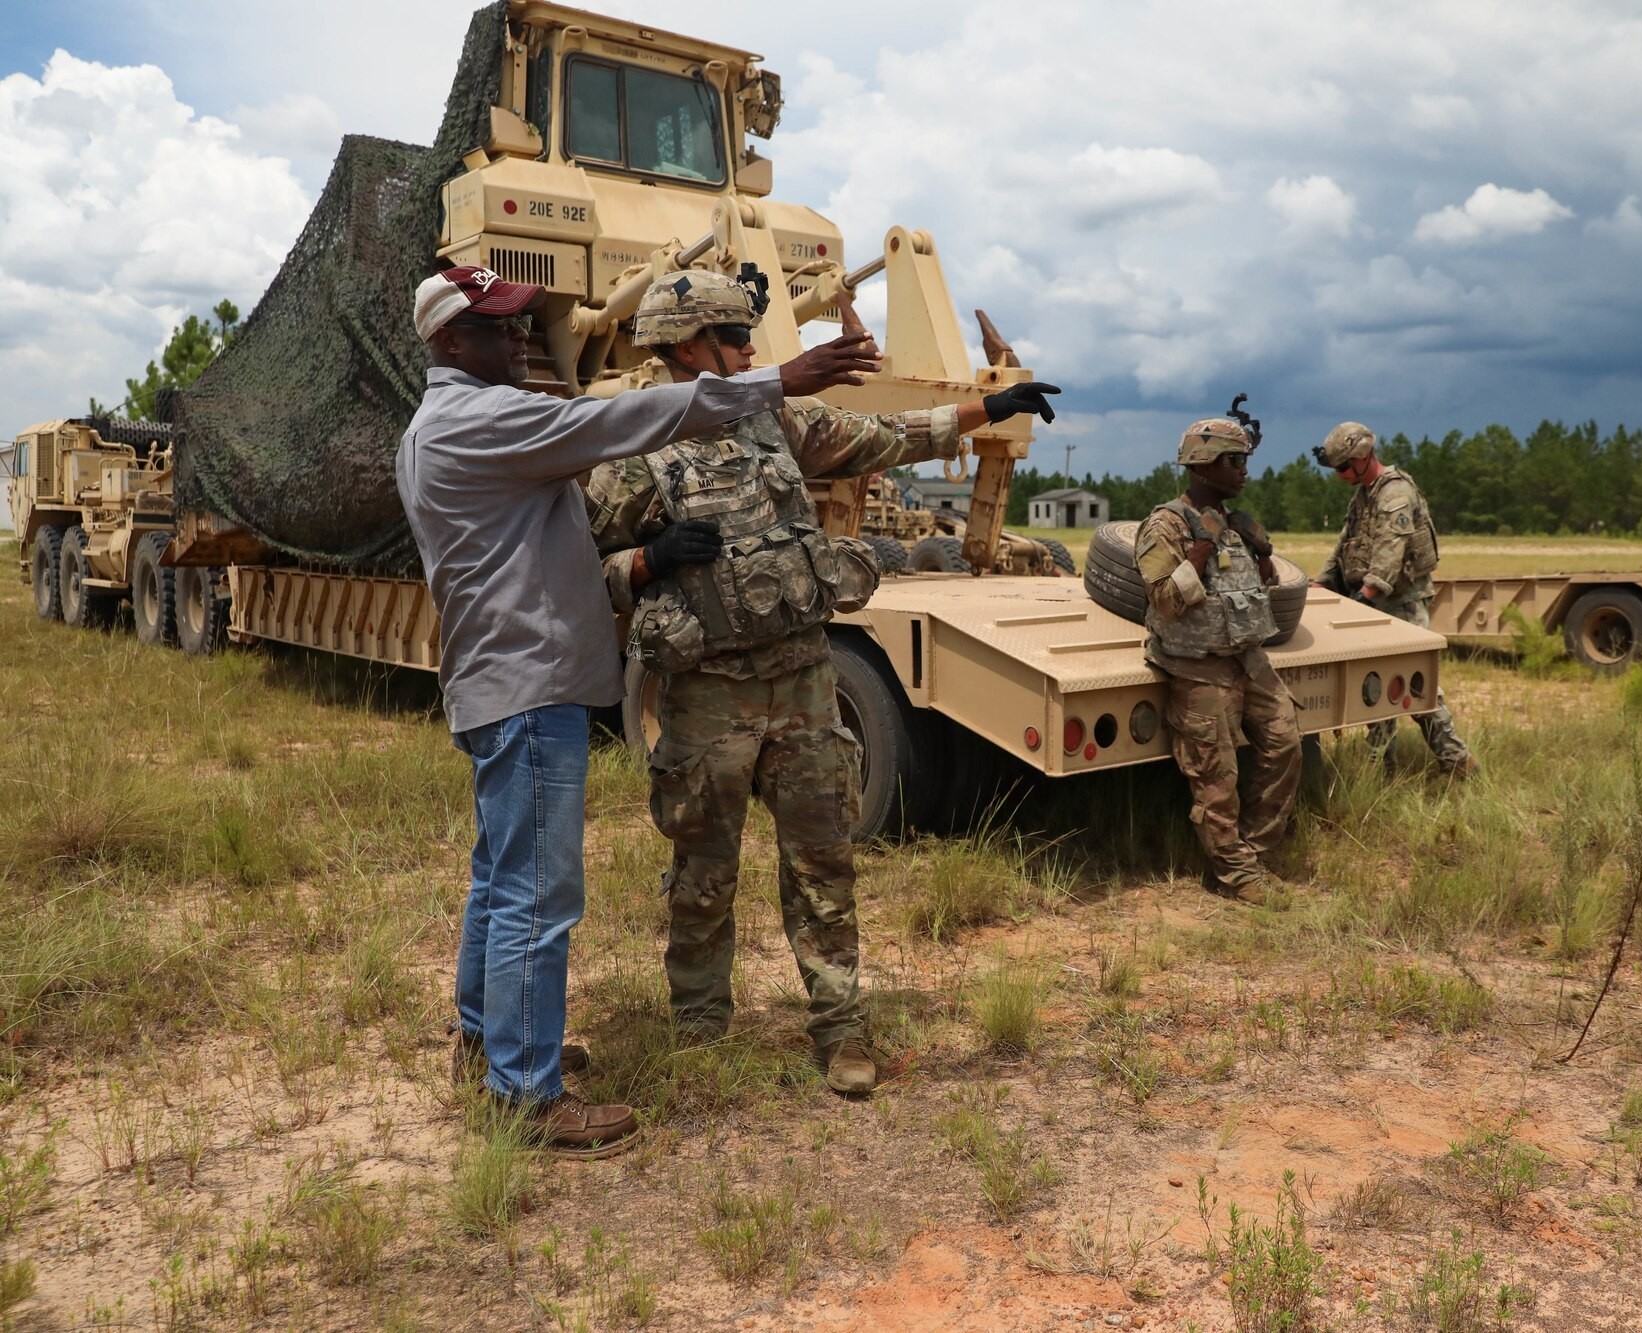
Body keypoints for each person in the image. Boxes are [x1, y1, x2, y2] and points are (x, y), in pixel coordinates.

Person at [395, 265, 880, 1155]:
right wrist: (772, 382)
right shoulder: (483, 418)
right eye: (499, 329)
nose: (521, 340)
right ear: (448, 342)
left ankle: (485, 1044)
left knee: (499, 881)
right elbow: (612, 421)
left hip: (500, 685)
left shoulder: (437, 424)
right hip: (529, 687)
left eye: (521, 324)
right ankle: (528, 1094)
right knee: (539, 896)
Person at [586, 268, 1059, 1096]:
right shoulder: (631, 442)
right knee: (704, 870)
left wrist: (990, 410)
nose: (748, 351)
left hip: (803, 679)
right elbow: (575, 569)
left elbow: (883, 436)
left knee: (824, 861)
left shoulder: (771, 417)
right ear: (689, 345)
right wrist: (645, 561)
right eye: (736, 338)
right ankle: (699, 1026)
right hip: (706, 694)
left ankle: (840, 1028)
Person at [1133, 418, 1302, 906]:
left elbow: (1257, 591)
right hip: (1198, 665)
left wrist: (1263, 552)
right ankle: (1236, 875)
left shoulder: (1235, 522)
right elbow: (1164, 600)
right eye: (1235, 461)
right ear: (1204, 467)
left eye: (1245, 459)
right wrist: (1201, 551)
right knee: (1215, 775)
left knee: (1285, 744)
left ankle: (1255, 852)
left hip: (1247, 659)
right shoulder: (1166, 525)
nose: (1245, 471)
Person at [1312, 421, 1477, 776]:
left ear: (1362, 457)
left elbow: (1390, 549)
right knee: (1376, 684)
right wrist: (1322, 584)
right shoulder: (1363, 495)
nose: (1339, 475)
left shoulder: (1394, 493)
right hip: (1374, 602)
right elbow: (1344, 545)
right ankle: (1380, 766)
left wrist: (1366, 594)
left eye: (1342, 467)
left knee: (1416, 684)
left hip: (1400, 602)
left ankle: (1457, 761)